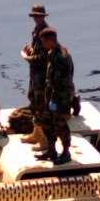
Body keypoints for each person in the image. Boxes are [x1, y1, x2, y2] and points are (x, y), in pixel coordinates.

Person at [35, 27, 75, 165]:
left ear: (50, 40)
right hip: (51, 95)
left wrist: (54, 99)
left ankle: (66, 152)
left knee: (60, 124)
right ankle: (51, 150)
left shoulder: (61, 57)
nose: (43, 45)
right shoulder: (52, 52)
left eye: (43, 42)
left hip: (60, 97)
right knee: (46, 121)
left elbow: (59, 82)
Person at [20, 3, 50, 148]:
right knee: (32, 100)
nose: (36, 18)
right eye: (34, 16)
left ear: (43, 16)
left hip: (42, 76)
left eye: (39, 16)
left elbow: (44, 57)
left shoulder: (45, 32)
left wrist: (27, 57)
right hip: (34, 75)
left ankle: (44, 139)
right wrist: (30, 50)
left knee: (41, 106)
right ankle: (36, 133)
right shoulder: (36, 30)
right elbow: (38, 51)